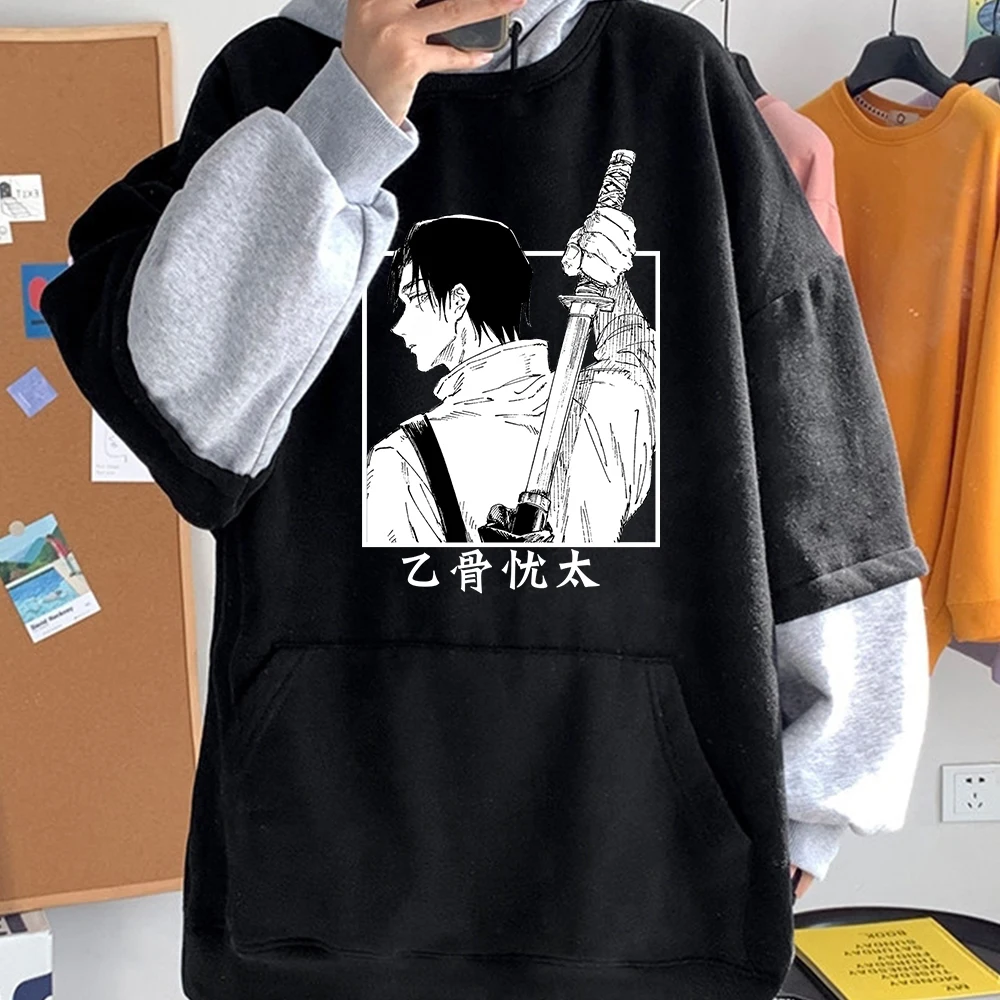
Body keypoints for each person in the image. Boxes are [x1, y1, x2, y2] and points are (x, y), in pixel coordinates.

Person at [39, 1, 931, 997]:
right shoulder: (274, 81)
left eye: (412, 306)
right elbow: (189, 415)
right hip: (326, 889)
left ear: (460, 307)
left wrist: (826, 785)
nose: (401, 333)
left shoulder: (674, 80)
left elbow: (819, 439)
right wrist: (346, 119)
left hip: (643, 887)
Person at [367, 209, 655, 544]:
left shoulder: (401, 459)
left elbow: (403, 574)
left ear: (458, 300)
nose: (399, 326)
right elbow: (636, 354)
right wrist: (607, 276)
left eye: (414, 298)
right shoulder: (611, 401)